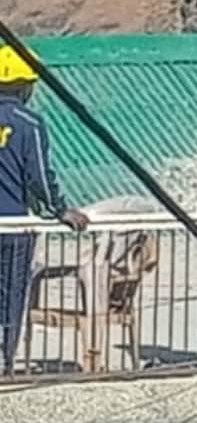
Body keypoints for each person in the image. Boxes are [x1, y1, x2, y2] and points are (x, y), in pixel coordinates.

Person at [0, 45, 87, 375]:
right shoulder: (29, 124)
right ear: (25, 86)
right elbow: (38, 176)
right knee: (10, 295)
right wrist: (60, 210)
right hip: (14, 227)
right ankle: (4, 362)